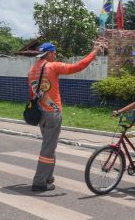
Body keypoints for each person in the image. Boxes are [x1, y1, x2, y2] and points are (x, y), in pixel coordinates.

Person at [28, 40, 105, 192]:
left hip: (40, 113)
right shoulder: (53, 66)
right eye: (54, 53)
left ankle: (49, 178)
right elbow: (78, 66)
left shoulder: (32, 70)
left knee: (49, 146)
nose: (56, 55)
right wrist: (94, 52)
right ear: (49, 53)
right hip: (52, 113)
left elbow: (32, 93)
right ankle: (39, 181)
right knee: (48, 149)